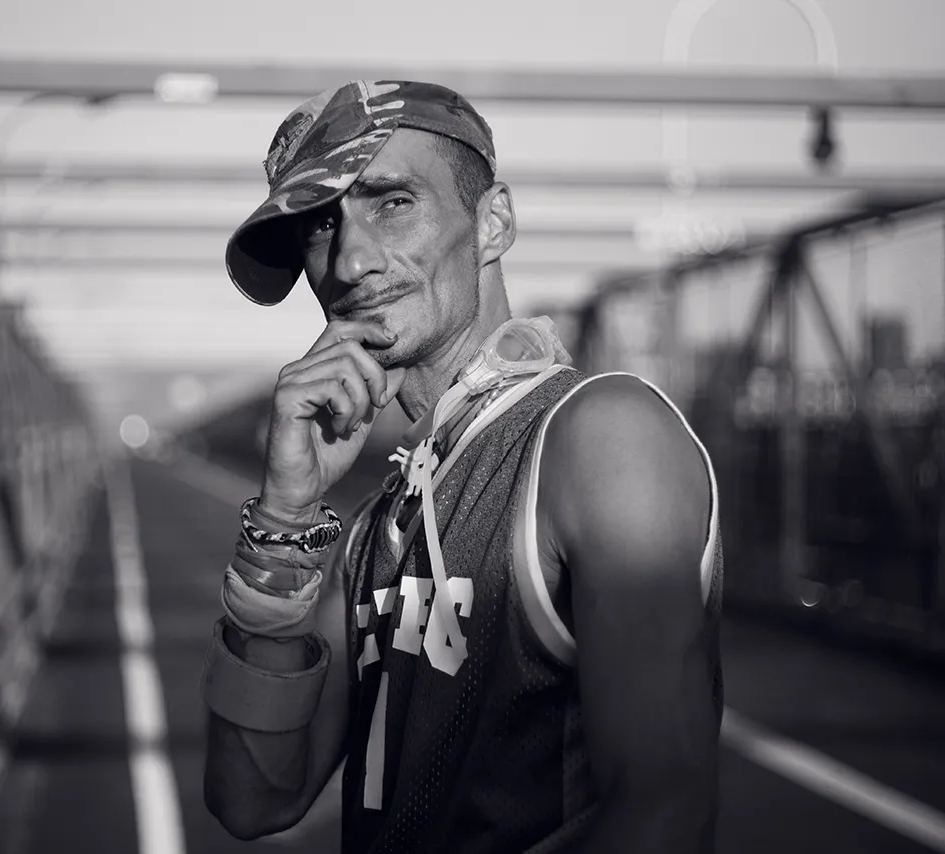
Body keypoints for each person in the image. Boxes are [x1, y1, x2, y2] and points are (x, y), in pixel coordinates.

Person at [200, 80, 724, 854]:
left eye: (391, 202)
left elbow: (663, 817)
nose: (349, 260)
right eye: (318, 229)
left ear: (493, 223)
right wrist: (284, 519)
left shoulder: (598, 438)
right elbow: (251, 797)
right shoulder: (381, 522)